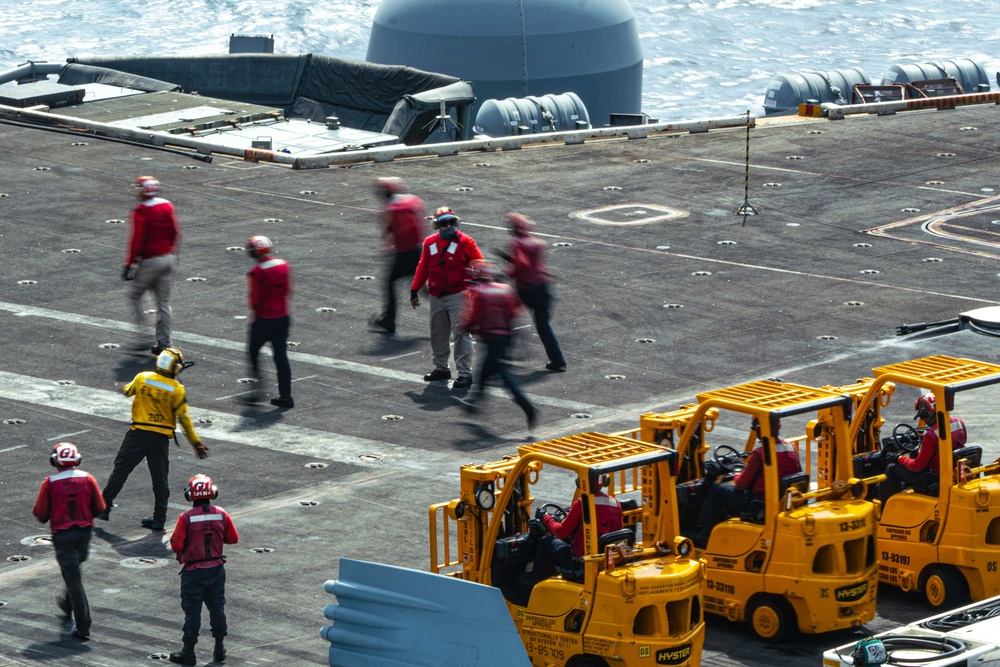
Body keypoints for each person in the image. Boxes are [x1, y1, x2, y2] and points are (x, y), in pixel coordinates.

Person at [97, 347, 208, 531]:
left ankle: (104, 507)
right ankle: (159, 518)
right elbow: (185, 419)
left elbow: (127, 390)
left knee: (120, 471)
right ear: (175, 367)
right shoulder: (177, 389)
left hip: (137, 435)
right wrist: (196, 442)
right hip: (160, 439)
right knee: (160, 479)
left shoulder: (143, 378)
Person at [32, 442, 107, 641]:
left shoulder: (50, 482)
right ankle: (67, 604)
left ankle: (83, 625)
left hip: (63, 535)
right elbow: (100, 507)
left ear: (54, 460)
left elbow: (40, 514)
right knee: (74, 571)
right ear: (77, 459)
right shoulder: (87, 478)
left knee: (73, 578)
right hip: (84, 534)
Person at [692, 417, 801, 546]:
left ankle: (704, 533)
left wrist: (737, 475)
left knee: (717, 490)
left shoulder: (760, 453)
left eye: (755, 429)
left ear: (759, 429)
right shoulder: (790, 447)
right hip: (782, 500)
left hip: (759, 504)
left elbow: (741, 484)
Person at [167, 474, 239, 665]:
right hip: (216, 569)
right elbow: (233, 538)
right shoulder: (221, 513)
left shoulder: (186, 518)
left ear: (190, 495)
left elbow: (175, 545)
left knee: (193, 612)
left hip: (194, 572)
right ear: (212, 493)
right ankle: (219, 649)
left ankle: (188, 652)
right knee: (217, 608)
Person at [457, 260, 538, 428]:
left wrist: (465, 327)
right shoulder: (505, 289)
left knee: (505, 376)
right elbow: (514, 311)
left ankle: (527, 407)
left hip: (491, 337)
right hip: (506, 335)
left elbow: (475, 315)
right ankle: (473, 403)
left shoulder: (479, 292)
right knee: (485, 370)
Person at [410, 206, 483, 389]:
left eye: (452, 222)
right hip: (436, 296)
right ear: (437, 225)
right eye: (445, 223)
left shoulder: (466, 242)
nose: (449, 226)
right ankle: (441, 368)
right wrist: (415, 289)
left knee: (461, 334)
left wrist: (476, 286)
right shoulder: (429, 243)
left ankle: (465, 374)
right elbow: (423, 267)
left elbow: (480, 265)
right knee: (438, 333)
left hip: (458, 295)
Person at [498, 212, 566, 372]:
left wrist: (506, 273)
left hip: (527, 288)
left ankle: (503, 350)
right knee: (543, 325)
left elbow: (521, 264)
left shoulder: (516, 242)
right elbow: (531, 262)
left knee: (506, 314)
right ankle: (557, 360)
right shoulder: (537, 243)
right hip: (543, 286)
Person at [123, 176, 180, 356]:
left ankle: (144, 336)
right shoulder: (166, 206)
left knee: (134, 295)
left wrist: (129, 263)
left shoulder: (141, 211)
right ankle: (164, 343)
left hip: (150, 261)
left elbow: (137, 239)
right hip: (168, 258)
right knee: (163, 303)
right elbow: (175, 231)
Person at [878, 393, 968, 502]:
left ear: (926, 413)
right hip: (950, 471)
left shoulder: (930, 436)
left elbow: (917, 466)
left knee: (892, 468)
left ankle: (881, 508)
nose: (923, 420)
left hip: (934, 479)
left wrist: (898, 458)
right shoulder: (959, 423)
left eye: (922, 416)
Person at [533, 474, 623, 577]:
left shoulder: (581, 504)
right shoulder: (616, 504)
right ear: (605, 481)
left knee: (545, 542)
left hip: (580, 562)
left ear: (580, 482)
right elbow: (618, 531)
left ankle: (533, 581)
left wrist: (545, 517)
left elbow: (561, 532)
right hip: (604, 559)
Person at [369, 177, 426, 334]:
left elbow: (396, 228)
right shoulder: (411, 200)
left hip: (405, 253)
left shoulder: (391, 208)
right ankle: (451, 312)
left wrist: (389, 246)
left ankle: (389, 320)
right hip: (417, 250)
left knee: (390, 282)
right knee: (422, 286)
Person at [244, 235, 294, 409]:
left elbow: (255, 300)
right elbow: (288, 290)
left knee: (253, 353)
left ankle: (257, 392)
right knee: (281, 356)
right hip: (283, 316)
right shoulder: (283, 265)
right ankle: (286, 396)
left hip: (264, 320)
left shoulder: (257, 272)